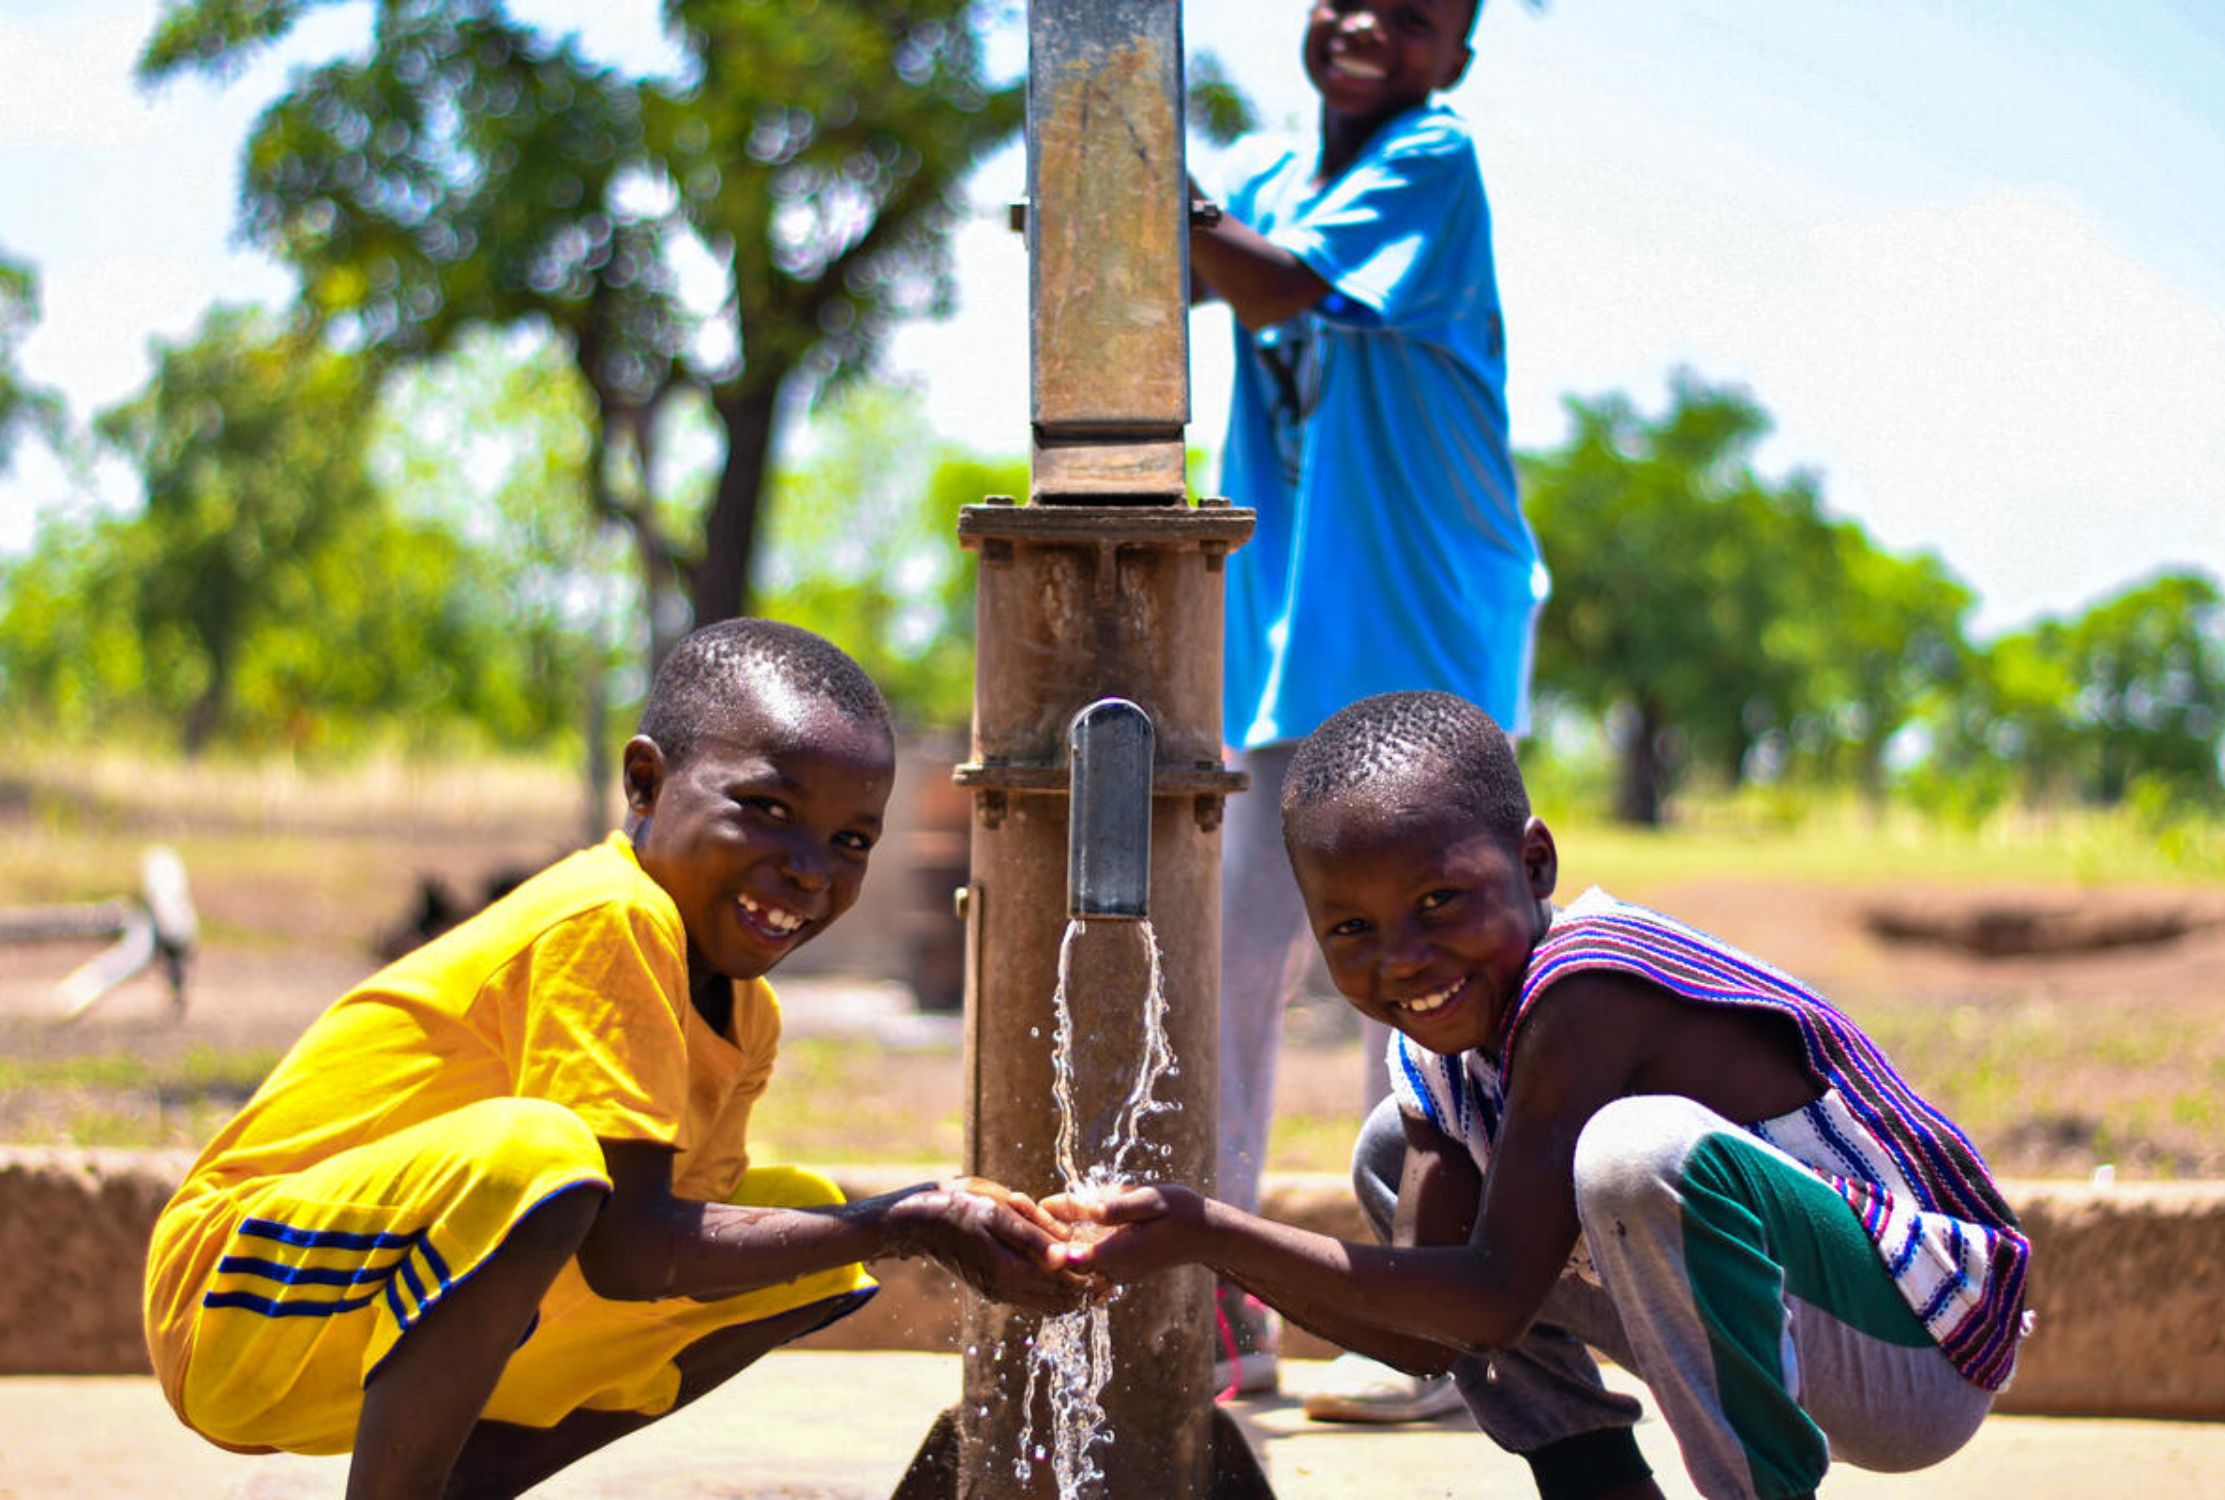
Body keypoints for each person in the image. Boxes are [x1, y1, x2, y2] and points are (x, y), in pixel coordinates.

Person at [141, 618, 1082, 1498]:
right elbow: (634, 1251)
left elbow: (662, 1253)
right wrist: (906, 1220)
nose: (809, 867)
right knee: (542, 1158)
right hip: (233, 1296)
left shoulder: (742, 1011)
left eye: (849, 840)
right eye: (765, 809)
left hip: (350, 1317)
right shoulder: (611, 913)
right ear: (643, 784)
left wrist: (909, 1219)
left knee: (804, 1237)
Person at [1052, 691, 2033, 1500]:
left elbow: (1488, 1301)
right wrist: (1190, 1243)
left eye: (1439, 902)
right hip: (1798, 1333)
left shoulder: (1587, 989)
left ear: (1534, 865)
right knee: (1394, 1148)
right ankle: (1596, 1486)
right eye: (1350, 929)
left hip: (1915, 1342)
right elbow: (1426, 1335)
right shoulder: (1437, 1049)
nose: (1403, 961)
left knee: (1630, 1156)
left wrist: (1210, 1232)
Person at [1188, 0, 1549, 1408]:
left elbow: (1272, 287)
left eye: (1412, 19)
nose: (1365, 29)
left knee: (1425, 988)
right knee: (1228, 972)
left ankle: (1425, 1329)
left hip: (1418, 628)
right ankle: (1228, 1327)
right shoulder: (1271, 179)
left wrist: (1138, 189)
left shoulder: (1432, 158)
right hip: (1292, 638)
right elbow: (1212, 257)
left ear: (1454, 57)